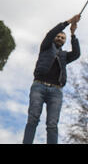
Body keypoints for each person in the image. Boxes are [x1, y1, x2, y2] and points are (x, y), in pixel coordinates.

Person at [22, 14, 81, 144]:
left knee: (52, 124)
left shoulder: (64, 56)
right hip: (39, 86)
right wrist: (68, 22)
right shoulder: (46, 47)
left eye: (62, 38)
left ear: (64, 41)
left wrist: (72, 34)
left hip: (56, 91)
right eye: (58, 36)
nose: (60, 38)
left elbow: (76, 54)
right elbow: (50, 34)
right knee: (33, 118)